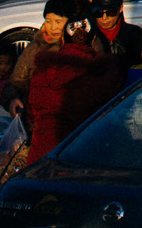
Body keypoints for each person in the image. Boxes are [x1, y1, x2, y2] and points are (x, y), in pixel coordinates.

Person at [24, 18, 125, 162]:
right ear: (93, 40)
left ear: (63, 41)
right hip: (82, 158)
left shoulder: (41, 72)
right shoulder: (103, 74)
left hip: (41, 159)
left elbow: (32, 112)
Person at [8, 0, 77, 109]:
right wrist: (12, 99)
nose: (53, 27)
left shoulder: (81, 45)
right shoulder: (34, 47)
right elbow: (16, 82)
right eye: (48, 21)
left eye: (58, 22)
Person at [90, 0, 142, 65]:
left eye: (110, 12)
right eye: (99, 14)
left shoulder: (135, 33)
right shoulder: (90, 36)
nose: (104, 18)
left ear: (120, 8)